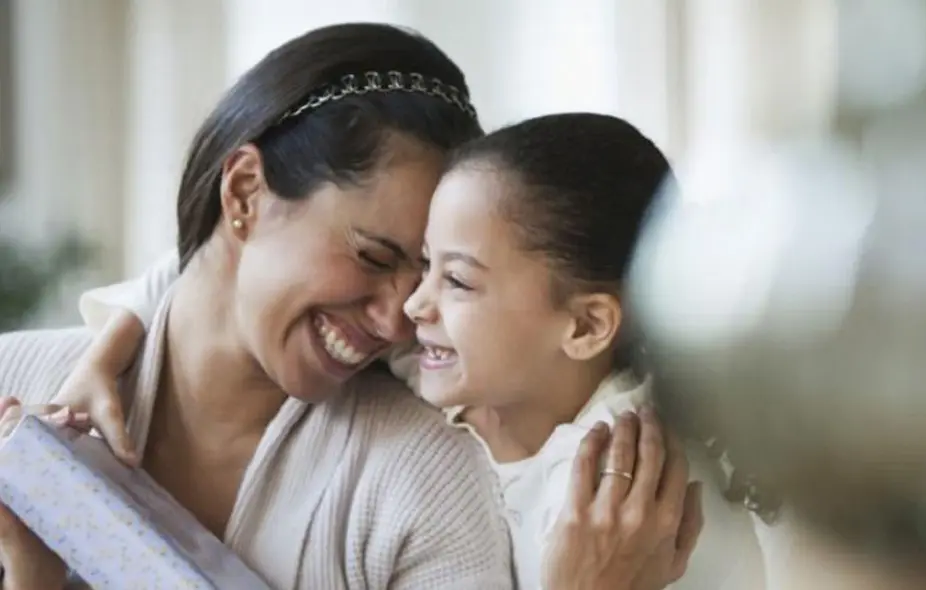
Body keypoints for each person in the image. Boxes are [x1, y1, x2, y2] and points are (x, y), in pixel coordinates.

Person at [0, 23, 699, 590]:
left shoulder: (428, 475)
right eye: (373, 256)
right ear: (244, 194)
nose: (402, 317)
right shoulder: (17, 384)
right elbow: (184, 281)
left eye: (437, 272)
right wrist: (115, 339)